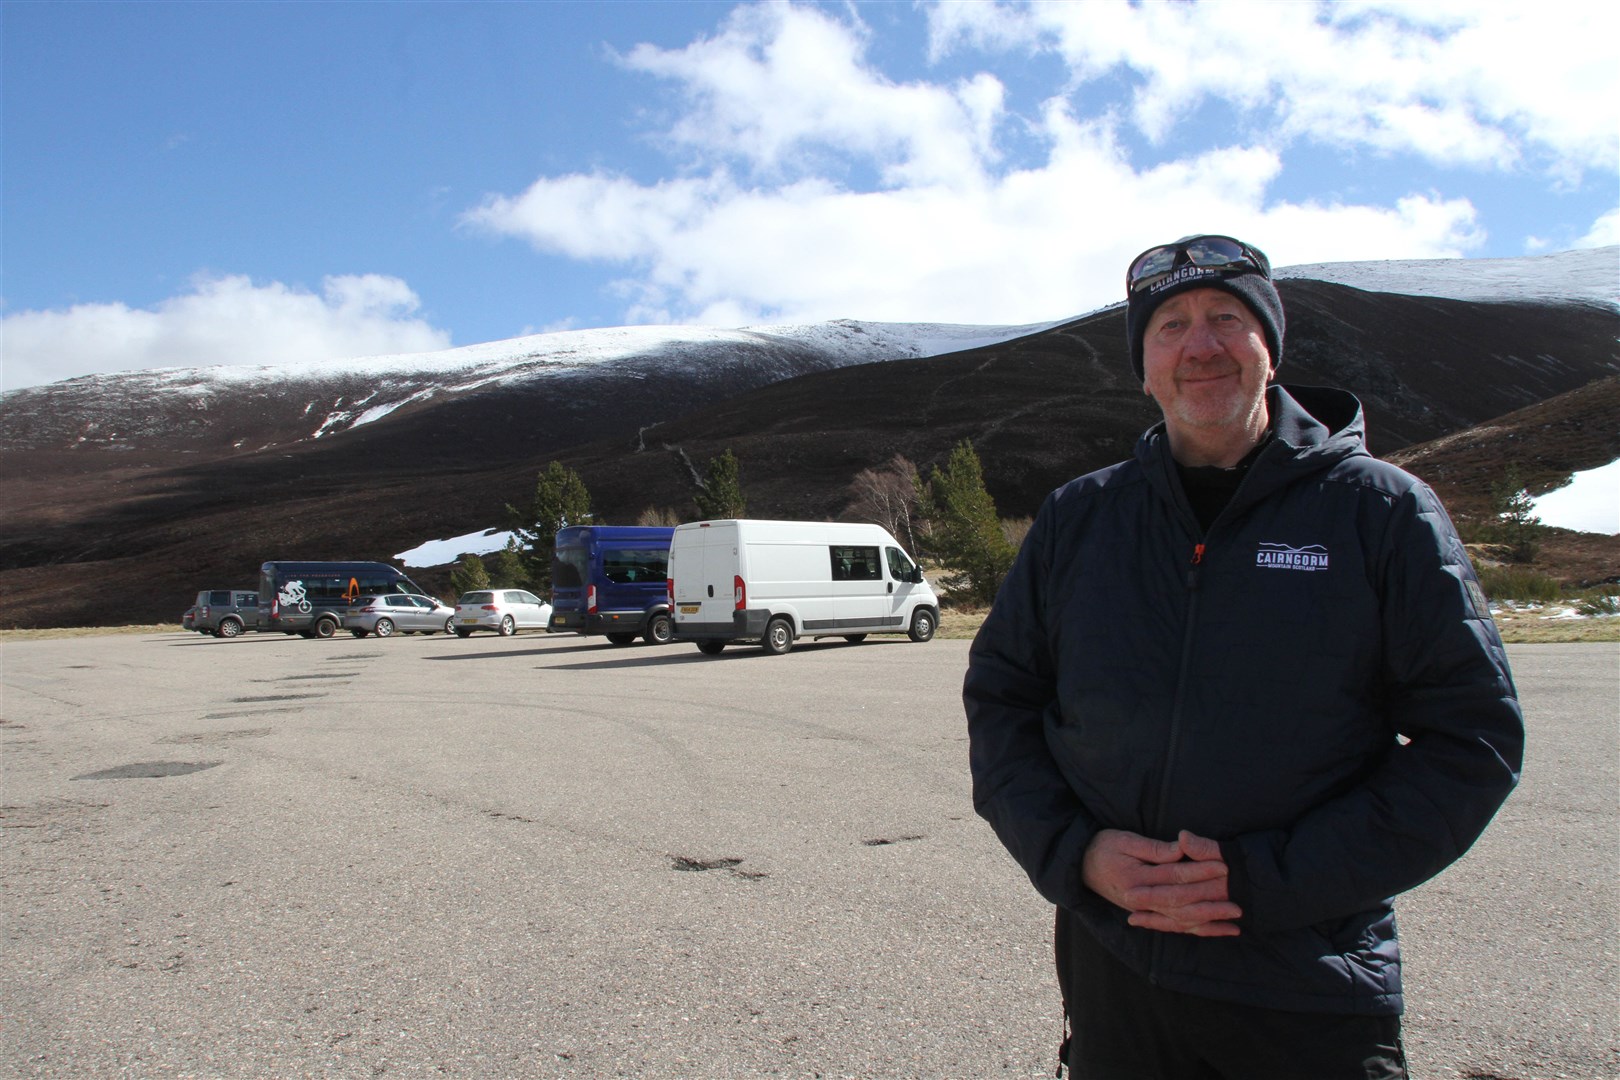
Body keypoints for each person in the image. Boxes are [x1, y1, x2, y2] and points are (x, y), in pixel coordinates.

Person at [963, 234, 1524, 1080]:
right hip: (1117, 975)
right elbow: (1002, 702)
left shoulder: (1379, 511)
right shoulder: (1082, 519)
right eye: (1171, 326)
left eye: (1228, 318)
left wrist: (1260, 881)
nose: (1201, 346)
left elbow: (1472, 741)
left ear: (1270, 347)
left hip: (1307, 985)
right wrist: (1074, 853)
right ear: (1144, 365)